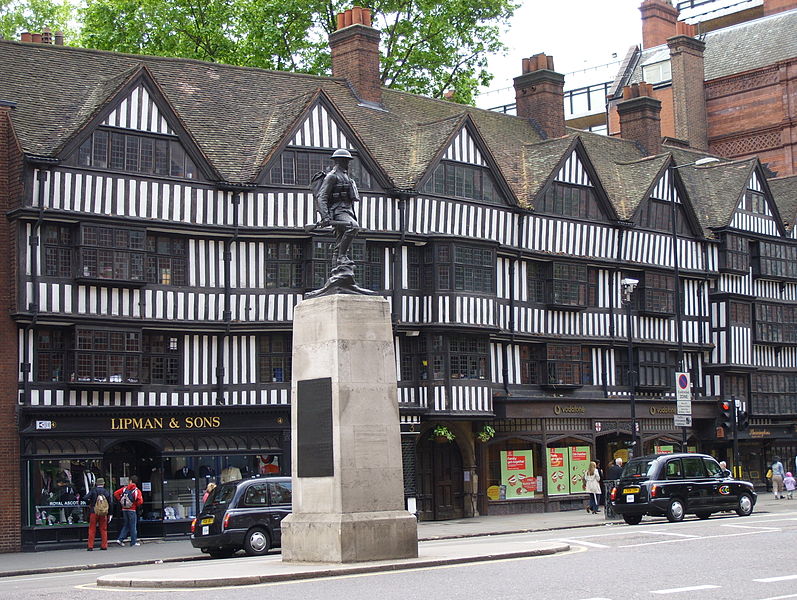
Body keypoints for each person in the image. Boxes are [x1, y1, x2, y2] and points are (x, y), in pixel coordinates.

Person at [315, 148, 360, 264]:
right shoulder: (332, 176)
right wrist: (325, 217)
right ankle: (342, 257)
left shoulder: (347, 177)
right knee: (353, 227)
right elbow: (321, 196)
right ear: (339, 161)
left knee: (339, 241)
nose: (348, 163)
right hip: (338, 211)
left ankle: (338, 264)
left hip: (348, 211)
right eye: (346, 161)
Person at [114, 476, 143, 547]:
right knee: (133, 525)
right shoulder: (136, 490)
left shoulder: (124, 489)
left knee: (126, 524)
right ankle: (133, 542)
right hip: (132, 510)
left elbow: (115, 493)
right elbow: (140, 501)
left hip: (124, 509)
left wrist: (121, 501)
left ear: (130, 481)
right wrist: (134, 504)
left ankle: (120, 539)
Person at [84, 477, 113, 551]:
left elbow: (85, 497)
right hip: (103, 513)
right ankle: (104, 545)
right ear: (103, 484)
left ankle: (90, 546)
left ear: (96, 484)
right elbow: (110, 503)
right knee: (103, 529)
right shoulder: (106, 492)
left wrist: (90, 502)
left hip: (94, 512)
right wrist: (110, 514)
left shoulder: (93, 491)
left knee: (92, 529)